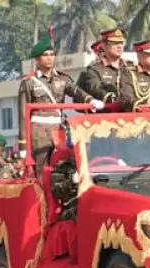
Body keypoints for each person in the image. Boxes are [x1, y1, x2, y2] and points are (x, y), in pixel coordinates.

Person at [18, 30, 102, 177]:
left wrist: (90, 100)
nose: (49, 58)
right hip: (39, 131)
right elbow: (23, 115)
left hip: (58, 129)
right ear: (38, 59)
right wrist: (23, 144)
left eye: (52, 54)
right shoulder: (29, 82)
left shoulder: (62, 79)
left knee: (64, 164)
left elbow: (76, 91)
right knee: (42, 169)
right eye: (45, 55)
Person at [83, 28, 133, 105]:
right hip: (106, 113)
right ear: (104, 46)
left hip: (131, 113)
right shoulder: (95, 69)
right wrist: (112, 98)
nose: (119, 46)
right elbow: (95, 89)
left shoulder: (131, 67)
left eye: (121, 43)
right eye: (115, 43)